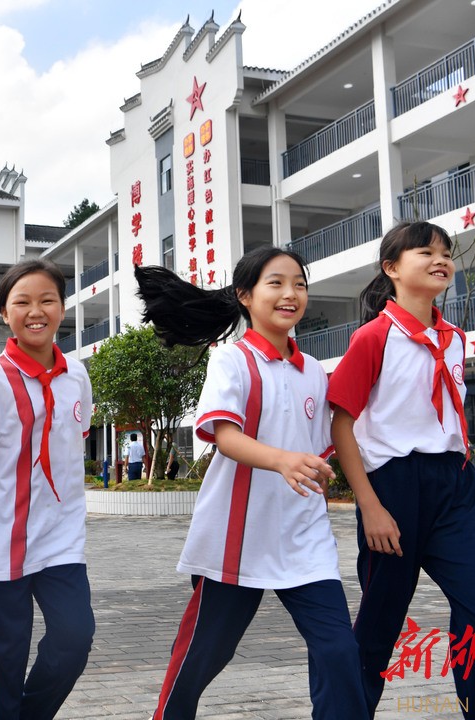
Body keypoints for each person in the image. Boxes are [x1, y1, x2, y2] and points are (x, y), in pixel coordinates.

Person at [135, 248, 366, 720]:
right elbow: (224, 436)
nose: (291, 294)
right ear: (245, 296)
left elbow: (327, 443)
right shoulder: (231, 361)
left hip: (305, 540)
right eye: (276, 283)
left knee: (340, 652)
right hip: (236, 541)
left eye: (299, 284)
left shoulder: (314, 373)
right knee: (204, 656)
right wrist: (281, 460)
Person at [328, 221, 475, 719]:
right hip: (393, 488)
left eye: (446, 252)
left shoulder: (454, 339)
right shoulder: (373, 338)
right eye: (425, 252)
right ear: (392, 268)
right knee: (379, 624)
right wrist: (369, 506)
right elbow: (341, 425)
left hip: (456, 487)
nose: (441, 259)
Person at [0, 258, 95, 720]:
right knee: (2, 662)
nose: (37, 311)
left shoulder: (78, 377)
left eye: (47, 300)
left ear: (62, 307)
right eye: (23, 302)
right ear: (4, 313)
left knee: (75, 638)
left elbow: (75, 446)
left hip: (61, 542)